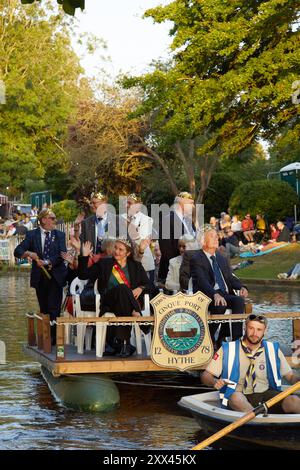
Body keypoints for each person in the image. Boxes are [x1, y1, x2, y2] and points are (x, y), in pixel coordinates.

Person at [201, 314, 300, 413]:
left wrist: (298, 379)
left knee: (294, 401)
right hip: (238, 394)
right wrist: (214, 381)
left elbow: (290, 377)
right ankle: (259, 422)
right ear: (245, 328)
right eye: (251, 328)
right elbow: (206, 375)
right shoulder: (228, 349)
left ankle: (265, 421)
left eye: (259, 330)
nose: (254, 333)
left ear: (265, 331)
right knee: (236, 398)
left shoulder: (272, 349)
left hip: (266, 394)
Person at [77, 238, 152, 357]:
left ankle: (124, 344)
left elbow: (149, 285)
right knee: (122, 288)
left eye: (120, 250)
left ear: (128, 253)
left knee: (124, 295)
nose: (116, 251)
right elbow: (83, 275)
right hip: (108, 301)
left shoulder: (135, 266)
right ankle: (138, 316)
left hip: (125, 304)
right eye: (115, 248)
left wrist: (140, 288)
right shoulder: (105, 263)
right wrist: (84, 256)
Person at [14, 209, 67, 344]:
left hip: (55, 276)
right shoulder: (32, 235)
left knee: (54, 308)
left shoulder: (59, 235)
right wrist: (29, 254)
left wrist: (48, 262)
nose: (55, 221)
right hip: (40, 277)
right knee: (44, 308)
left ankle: (53, 340)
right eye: (52, 218)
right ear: (44, 220)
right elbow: (17, 251)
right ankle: (46, 337)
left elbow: (62, 254)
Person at [190, 228, 248, 347]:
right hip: (206, 295)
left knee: (238, 300)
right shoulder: (196, 258)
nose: (216, 239)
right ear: (203, 241)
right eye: (212, 236)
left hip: (224, 294)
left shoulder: (222, 258)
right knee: (221, 303)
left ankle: (236, 340)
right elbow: (202, 281)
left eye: (217, 236)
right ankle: (209, 337)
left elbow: (230, 278)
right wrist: (214, 294)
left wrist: (242, 287)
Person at [158, 191, 195, 282]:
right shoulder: (167, 220)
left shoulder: (188, 221)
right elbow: (166, 250)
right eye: (191, 203)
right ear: (180, 204)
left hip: (190, 270)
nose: (193, 206)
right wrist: (181, 267)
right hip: (174, 273)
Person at [122, 193, 155, 282]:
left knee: (146, 291)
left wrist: (129, 225)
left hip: (143, 262)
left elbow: (141, 242)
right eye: (125, 203)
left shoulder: (147, 220)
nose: (126, 205)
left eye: (129, 203)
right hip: (124, 262)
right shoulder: (120, 218)